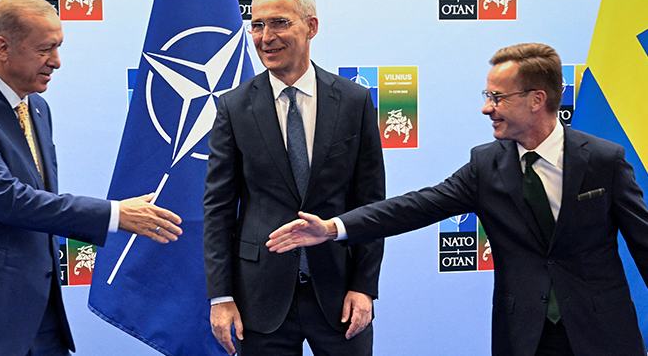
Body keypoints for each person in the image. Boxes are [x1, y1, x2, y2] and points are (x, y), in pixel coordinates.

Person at [267, 42, 648, 356]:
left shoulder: (603, 160)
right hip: (524, 336)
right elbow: (416, 206)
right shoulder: (486, 166)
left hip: (603, 332)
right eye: (487, 96)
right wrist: (334, 228)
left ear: (537, 99)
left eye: (497, 97)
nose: (487, 107)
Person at [0, 0, 183, 356]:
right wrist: (115, 214)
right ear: (2, 46)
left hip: (41, 320)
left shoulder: (37, 107)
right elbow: (9, 200)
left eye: (58, 47)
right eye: (45, 49)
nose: (56, 61)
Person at [203, 0, 385, 356]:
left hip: (340, 297)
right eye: (257, 25)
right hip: (259, 299)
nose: (266, 36)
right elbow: (218, 209)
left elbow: (371, 203)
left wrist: (364, 286)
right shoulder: (233, 107)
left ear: (311, 27)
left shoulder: (353, 101)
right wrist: (220, 296)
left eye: (280, 23)